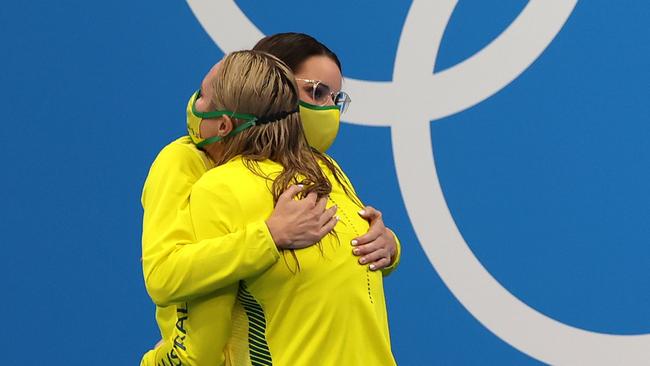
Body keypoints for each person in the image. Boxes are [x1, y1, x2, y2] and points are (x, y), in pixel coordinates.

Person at [140, 32, 401, 365]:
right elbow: (169, 278)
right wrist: (270, 235)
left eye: (334, 99)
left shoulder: (324, 168)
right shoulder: (192, 169)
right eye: (315, 92)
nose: (327, 109)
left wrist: (389, 245)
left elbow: (350, 271)